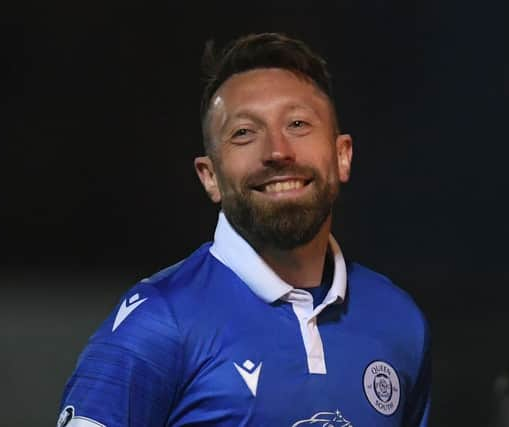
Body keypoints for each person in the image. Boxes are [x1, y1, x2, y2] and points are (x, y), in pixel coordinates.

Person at [57, 32, 431, 427]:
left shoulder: (399, 321)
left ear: (342, 156)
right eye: (244, 133)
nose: (277, 151)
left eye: (298, 123)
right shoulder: (158, 325)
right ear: (210, 177)